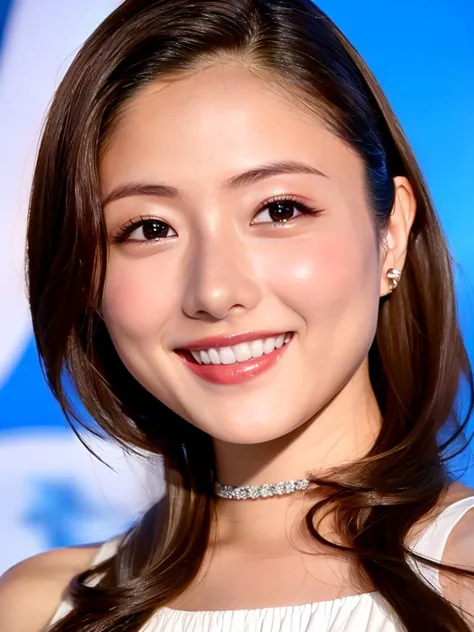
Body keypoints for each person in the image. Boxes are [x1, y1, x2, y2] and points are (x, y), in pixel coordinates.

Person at [0, 0, 473, 630]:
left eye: (279, 210)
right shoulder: (39, 607)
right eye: (148, 227)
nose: (215, 291)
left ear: (391, 230)